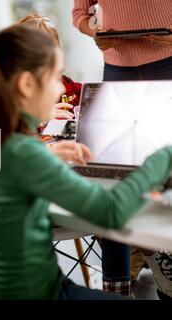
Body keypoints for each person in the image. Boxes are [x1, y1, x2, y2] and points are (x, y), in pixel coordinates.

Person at [0, 24, 172, 299]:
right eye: (55, 77)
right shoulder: (23, 152)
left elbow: (11, 174)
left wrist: (47, 155)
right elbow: (111, 211)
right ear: (26, 84)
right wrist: (164, 155)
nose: (61, 86)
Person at [73, 0, 172, 299]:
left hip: (168, 63)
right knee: (112, 179)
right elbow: (80, 14)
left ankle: (162, 262)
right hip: (117, 70)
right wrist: (95, 30)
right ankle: (116, 288)